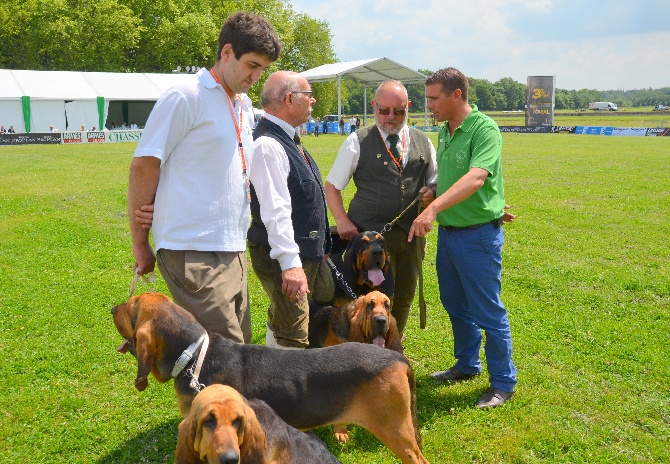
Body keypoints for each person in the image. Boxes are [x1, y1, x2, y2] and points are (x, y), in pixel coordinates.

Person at [127, 11, 281, 344]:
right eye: (252, 65)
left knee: (240, 353)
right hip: (191, 249)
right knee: (224, 356)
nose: (256, 76)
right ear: (227, 53)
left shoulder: (242, 103)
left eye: (262, 69)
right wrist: (140, 243)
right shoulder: (186, 95)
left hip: (232, 247)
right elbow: (144, 164)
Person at [408, 67, 517, 409]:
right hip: (451, 236)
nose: (428, 105)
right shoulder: (445, 130)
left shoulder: (483, 128)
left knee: (488, 311)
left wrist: (433, 208)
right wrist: (433, 188)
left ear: (457, 95)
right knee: (456, 304)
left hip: (478, 237)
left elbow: (475, 178)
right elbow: (453, 174)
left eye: (433, 98)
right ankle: (467, 365)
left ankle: (502, 382)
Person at [325, 79, 437, 335]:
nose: (390, 117)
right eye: (384, 110)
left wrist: (431, 192)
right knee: (368, 299)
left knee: (404, 295)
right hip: (368, 240)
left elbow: (436, 182)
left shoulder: (424, 142)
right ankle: (364, 351)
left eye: (399, 111)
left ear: (408, 107)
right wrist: (342, 221)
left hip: (410, 237)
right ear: (374, 106)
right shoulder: (357, 140)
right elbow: (332, 187)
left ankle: (392, 347)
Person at [247, 71, 332, 349]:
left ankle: (273, 384)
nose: (314, 101)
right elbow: (275, 210)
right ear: (289, 99)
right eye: (308, 95)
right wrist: (290, 263)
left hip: (298, 252)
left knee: (283, 321)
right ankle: (282, 390)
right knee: (293, 334)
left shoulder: (286, 138)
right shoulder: (269, 145)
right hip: (284, 256)